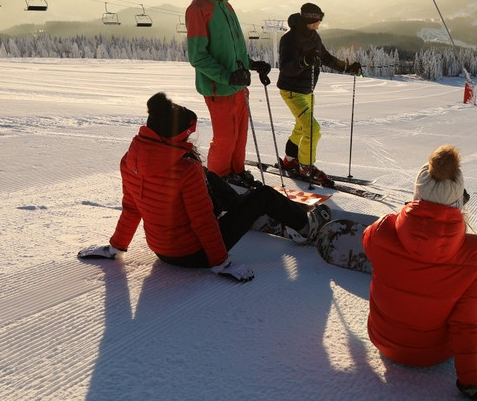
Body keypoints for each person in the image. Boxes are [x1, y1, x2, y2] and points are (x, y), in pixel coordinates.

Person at [77, 93, 330, 279]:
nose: (190, 138)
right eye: (188, 134)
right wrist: (221, 263)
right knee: (264, 195)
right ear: (177, 135)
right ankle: (306, 227)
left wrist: (115, 247)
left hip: (161, 250)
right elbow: (202, 221)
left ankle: (239, 207)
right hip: (195, 253)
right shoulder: (185, 169)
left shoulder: (130, 159)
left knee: (207, 175)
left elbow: (131, 209)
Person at [361, 144, 477, 401]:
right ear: (458, 201)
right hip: (432, 354)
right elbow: (465, 325)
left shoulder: (380, 232)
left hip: (383, 341)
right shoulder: (473, 253)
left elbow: (369, 240)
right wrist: (474, 382)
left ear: (416, 195)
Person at [186, 0, 273, 185]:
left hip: (238, 84)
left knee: (239, 134)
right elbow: (198, 56)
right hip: (218, 86)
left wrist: (251, 65)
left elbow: (235, 48)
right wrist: (227, 76)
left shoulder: (225, 4)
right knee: (225, 138)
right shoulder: (198, 9)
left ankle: (236, 172)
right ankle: (218, 180)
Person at [275, 2, 361, 187]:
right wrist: (304, 61)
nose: (320, 24)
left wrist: (347, 67)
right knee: (312, 130)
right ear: (309, 19)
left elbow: (326, 58)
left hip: (307, 90)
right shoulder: (289, 39)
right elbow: (286, 68)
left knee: (301, 127)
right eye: (318, 20)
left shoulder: (313, 36)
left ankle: (290, 160)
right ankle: (305, 167)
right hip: (292, 91)